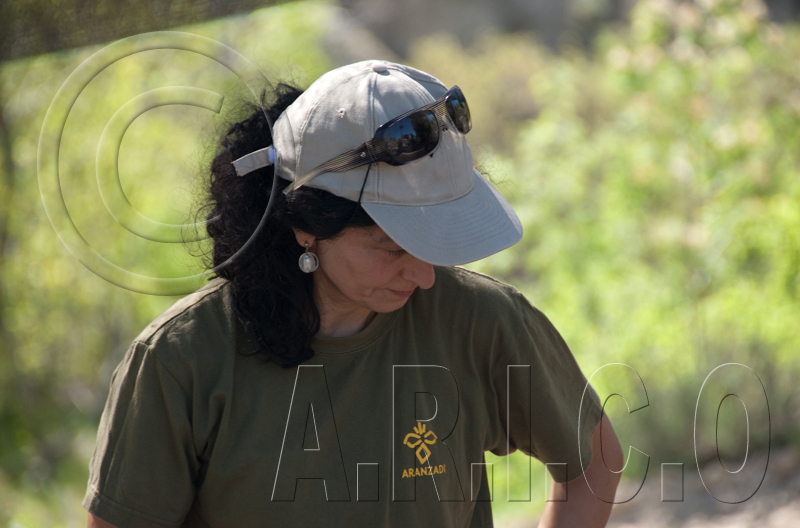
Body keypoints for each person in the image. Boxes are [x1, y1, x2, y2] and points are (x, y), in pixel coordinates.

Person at [84, 60, 623, 528]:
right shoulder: (181, 360)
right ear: (306, 225)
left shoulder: (480, 321)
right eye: (393, 247)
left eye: (435, 242)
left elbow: (595, 462)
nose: (425, 276)